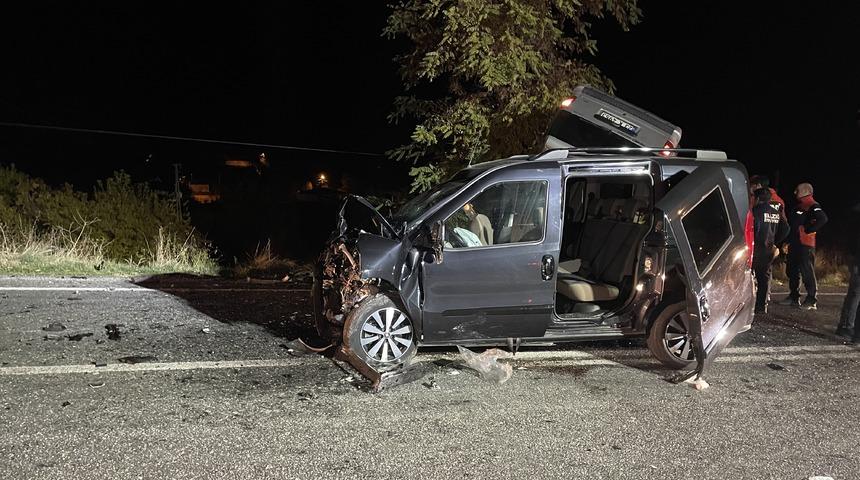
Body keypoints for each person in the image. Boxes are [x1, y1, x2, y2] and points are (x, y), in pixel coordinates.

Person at [777, 182, 828, 309]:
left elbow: (823, 219)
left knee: (807, 271)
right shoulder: (799, 206)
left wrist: (807, 230)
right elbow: (793, 227)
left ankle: (811, 300)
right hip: (795, 243)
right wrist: (787, 241)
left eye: (797, 190)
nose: (795, 192)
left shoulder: (812, 205)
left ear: (806, 191)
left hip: (805, 244)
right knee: (792, 270)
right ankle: (794, 297)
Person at [751, 187, 789, 314]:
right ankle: (761, 306)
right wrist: (775, 242)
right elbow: (786, 228)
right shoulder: (775, 213)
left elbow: (751, 229)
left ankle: (747, 305)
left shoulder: (754, 211)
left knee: (749, 276)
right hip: (768, 249)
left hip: (755, 249)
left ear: (757, 199)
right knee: (764, 278)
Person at [837, 202, 860, 340]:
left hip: (855, 256)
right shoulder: (856, 215)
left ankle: (847, 325)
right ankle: (846, 326)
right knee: (855, 293)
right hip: (857, 258)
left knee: (855, 293)